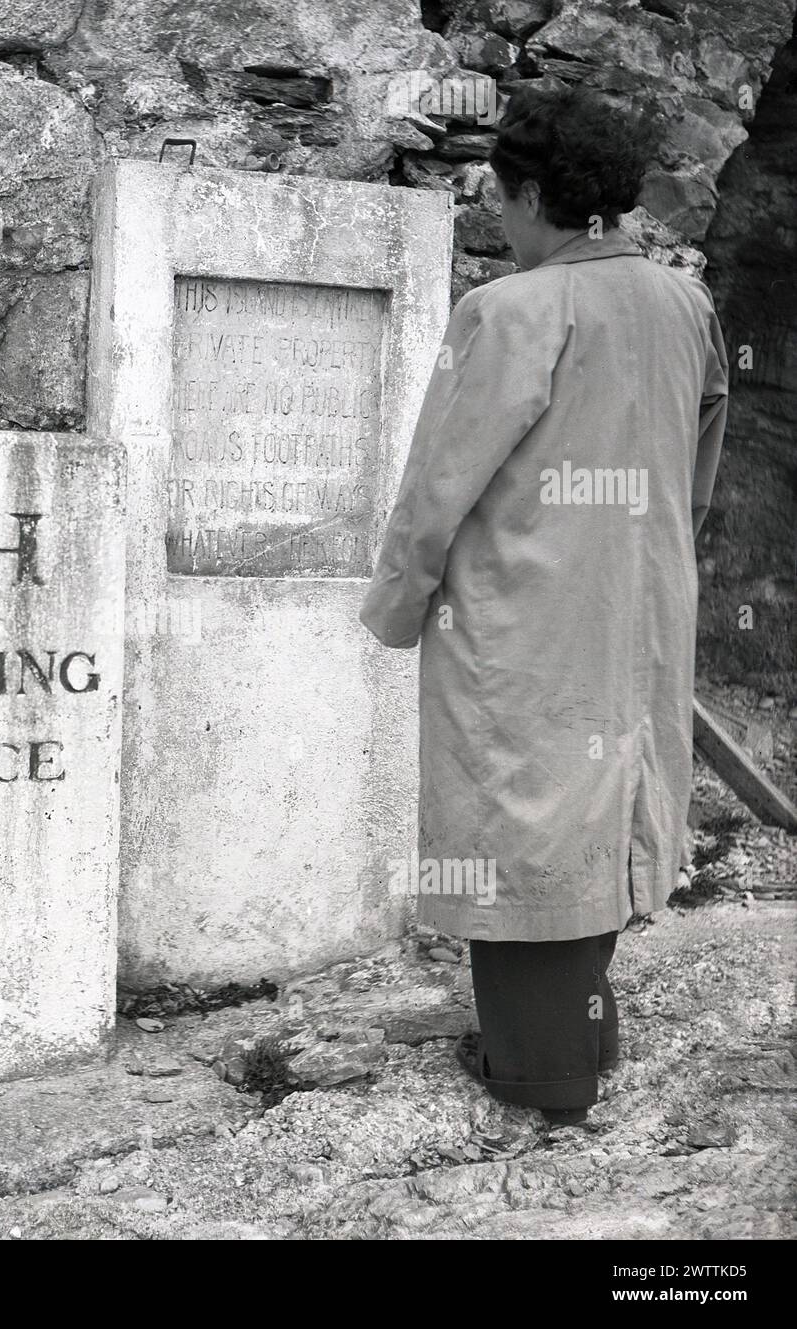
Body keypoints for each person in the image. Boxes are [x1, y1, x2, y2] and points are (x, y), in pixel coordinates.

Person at [359, 85, 729, 1126]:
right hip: (639, 603)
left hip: (523, 611)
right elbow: (696, 458)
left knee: (516, 817)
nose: (499, 220)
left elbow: (440, 484)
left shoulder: (508, 311)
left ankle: (540, 1070)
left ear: (529, 193)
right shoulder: (681, 302)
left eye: (499, 199)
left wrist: (396, 607)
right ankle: (585, 1026)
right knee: (602, 807)